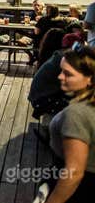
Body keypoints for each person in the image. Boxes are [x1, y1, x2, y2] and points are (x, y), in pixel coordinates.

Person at [44, 44, 95, 202]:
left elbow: (74, 172)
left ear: (90, 79)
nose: (60, 77)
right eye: (61, 71)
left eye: (68, 74)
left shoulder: (76, 114)